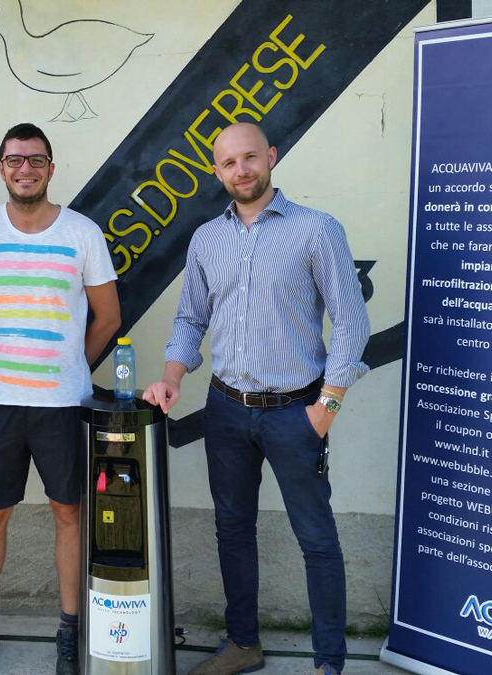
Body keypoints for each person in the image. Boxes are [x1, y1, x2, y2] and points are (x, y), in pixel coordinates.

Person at [143, 122, 369, 675]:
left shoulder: (316, 230)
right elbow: (191, 319)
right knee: (233, 530)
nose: (241, 170)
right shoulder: (206, 239)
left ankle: (329, 662)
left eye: (250, 157)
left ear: (271, 156)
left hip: (296, 412)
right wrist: (172, 376)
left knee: (316, 539)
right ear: (216, 171)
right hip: (225, 410)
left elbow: (351, 322)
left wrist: (326, 408)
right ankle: (243, 643)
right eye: (228, 163)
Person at [0, 122, 121, 675]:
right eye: (15, 160)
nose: (26, 169)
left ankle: (70, 631)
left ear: (51, 167)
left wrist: (69, 365)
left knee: (70, 513)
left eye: (36, 159)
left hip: (64, 405)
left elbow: (108, 317)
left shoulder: (82, 233)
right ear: (1, 168)